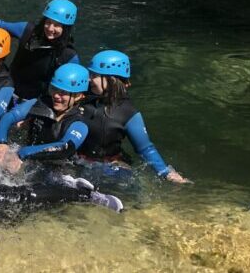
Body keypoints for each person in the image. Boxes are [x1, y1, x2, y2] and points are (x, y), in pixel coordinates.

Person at [79, 50, 189, 183]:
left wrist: (166, 172)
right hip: (79, 161)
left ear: (111, 80)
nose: (89, 79)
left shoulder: (128, 113)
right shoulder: (82, 97)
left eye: (94, 75)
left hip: (109, 166)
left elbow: (146, 149)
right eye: (90, 74)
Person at [0, 0, 79, 100]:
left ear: (66, 28)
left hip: (34, 101)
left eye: (57, 25)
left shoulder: (69, 56)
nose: (50, 28)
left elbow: (69, 90)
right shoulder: (28, 30)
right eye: (48, 22)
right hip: (7, 89)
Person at [0, 64, 90, 171]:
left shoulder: (79, 124)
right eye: (54, 89)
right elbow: (9, 116)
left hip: (57, 171)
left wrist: (23, 153)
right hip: (27, 161)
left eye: (63, 93)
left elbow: (65, 147)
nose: (56, 95)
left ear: (78, 96)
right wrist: (0, 143)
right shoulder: (39, 103)